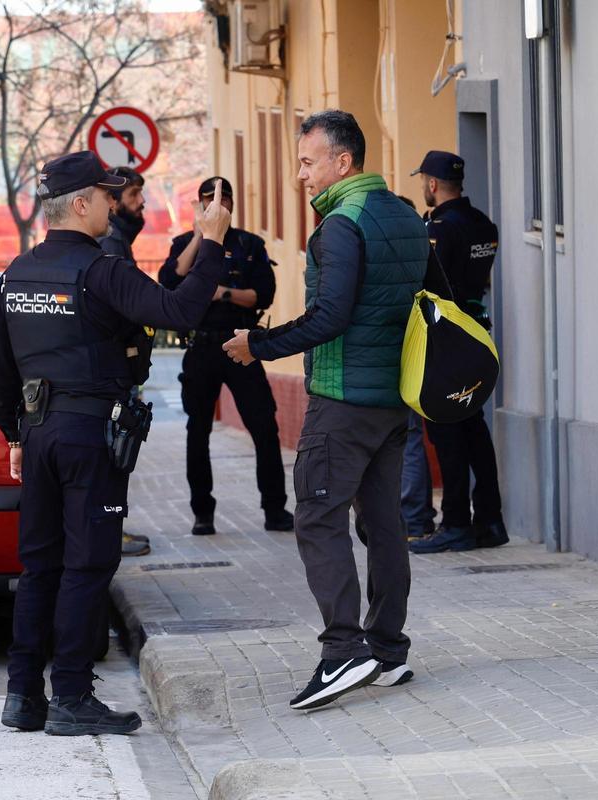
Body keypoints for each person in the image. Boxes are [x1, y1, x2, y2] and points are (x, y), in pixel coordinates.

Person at [0, 151, 230, 736]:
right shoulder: (102, 271)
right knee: (88, 564)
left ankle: (23, 696)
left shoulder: (14, 274)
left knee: (38, 565)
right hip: (89, 435)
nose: (111, 206)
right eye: (105, 195)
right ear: (80, 203)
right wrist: (212, 242)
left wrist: (17, 434)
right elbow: (180, 312)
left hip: (40, 434)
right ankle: (70, 696)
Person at [224, 110, 427, 709]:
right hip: (393, 398)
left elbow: (330, 317)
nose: (300, 175)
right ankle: (388, 652)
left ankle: (344, 651)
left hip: (342, 399)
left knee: (316, 517)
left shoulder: (340, 224)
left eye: (309, 162)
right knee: (385, 524)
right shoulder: (405, 215)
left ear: (344, 162)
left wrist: (255, 345)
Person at [159, 177, 292, 536]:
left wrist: (224, 294)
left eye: (224, 200)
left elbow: (262, 294)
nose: (218, 206)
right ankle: (202, 513)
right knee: (197, 430)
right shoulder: (185, 244)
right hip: (201, 347)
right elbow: (170, 280)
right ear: (199, 205)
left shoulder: (249, 245)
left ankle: (275, 509)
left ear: (233, 203)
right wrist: (203, 235)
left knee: (264, 427)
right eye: (208, 200)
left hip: (241, 345)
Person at [407, 150, 509, 554]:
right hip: (476, 332)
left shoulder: (438, 228)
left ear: (432, 184)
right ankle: (490, 519)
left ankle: (455, 524)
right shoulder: (483, 223)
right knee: (474, 429)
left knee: (446, 428)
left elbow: (430, 282)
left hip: (447, 338)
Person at [98, 166, 153, 558]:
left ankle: (114, 527)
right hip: (115, 367)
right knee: (115, 452)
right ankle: (110, 530)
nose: (142, 202)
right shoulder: (112, 244)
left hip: (120, 364)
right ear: (114, 201)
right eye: (135, 195)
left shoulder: (119, 239)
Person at [395, 195, 438, 545]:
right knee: (410, 436)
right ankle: (416, 517)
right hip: (419, 350)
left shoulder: (394, 255)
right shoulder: (421, 251)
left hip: (403, 352)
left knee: (408, 437)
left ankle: (413, 518)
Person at [99, 166, 146, 261]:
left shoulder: (117, 236)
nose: (142, 200)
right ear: (112, 200)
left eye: (140, 192)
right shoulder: (111, 241)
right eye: (133, 193)